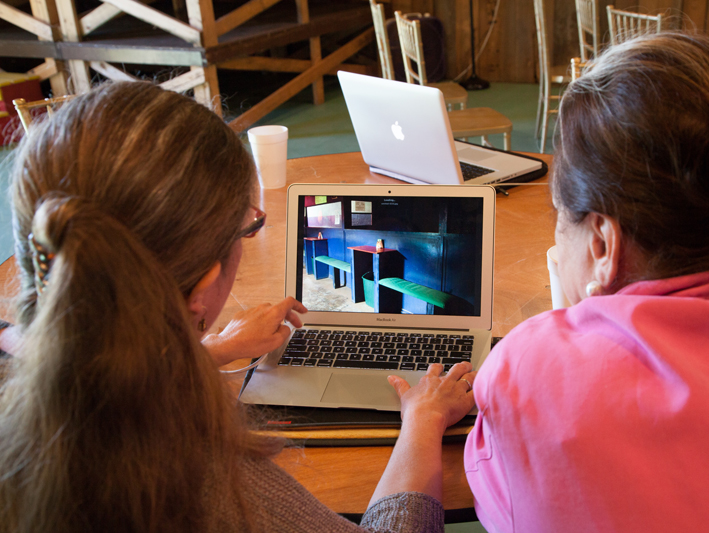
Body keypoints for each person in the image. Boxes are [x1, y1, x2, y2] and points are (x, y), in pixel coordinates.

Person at [0, 81, 477, 532]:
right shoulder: (204, 484)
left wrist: (215, 347)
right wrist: (423, 421)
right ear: (205, 279)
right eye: (248, 227)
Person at [464, 32, 709, 532]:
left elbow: (505, 506)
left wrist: (563, 330)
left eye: (560, 216)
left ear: (602, 244)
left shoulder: (527, 369)